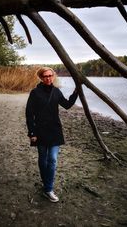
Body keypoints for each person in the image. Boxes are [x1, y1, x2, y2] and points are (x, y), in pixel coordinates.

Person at [26, 67, 78, 203]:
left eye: (50, 75)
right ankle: (46, 182)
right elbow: (29, 114)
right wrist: (32, 132)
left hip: (55, 130)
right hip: (40, 131)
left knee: (52, 160)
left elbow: (67, 105)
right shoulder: (35, 93)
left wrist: (76, 91)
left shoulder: (56, 91)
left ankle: (48, 189)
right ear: (41, 78)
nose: (48, 78)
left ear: (53, 76)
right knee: (43, 159)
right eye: (45, 76)